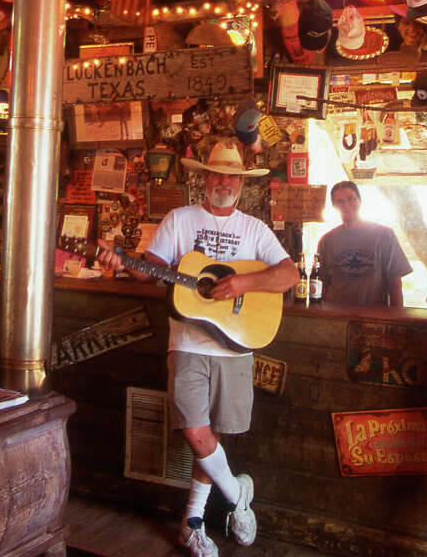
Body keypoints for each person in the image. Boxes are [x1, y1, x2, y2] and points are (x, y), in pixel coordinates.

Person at [97, 138, 298, 557]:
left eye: (232, 176)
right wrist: (122, 262)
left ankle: (192, 523)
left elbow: (288, 275)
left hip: (236, 345)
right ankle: (236, 494)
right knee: (195, 431)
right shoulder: (180, 219)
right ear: (204, 178)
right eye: (217, 173)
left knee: (217, 436)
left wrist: (243, 282)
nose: (224, 181)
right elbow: (149, 272)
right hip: (187, 343)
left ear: (241, 183)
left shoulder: (254, 229)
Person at [317, 181, 412, 306]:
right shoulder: (327, 241)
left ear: (359, 201)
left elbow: (395, 283)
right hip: (337, 316)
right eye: (339, 201)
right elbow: (322, 284)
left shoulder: (384, 235)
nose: (346, 204)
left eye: (351, 199)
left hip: (374, 316)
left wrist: (397, 319)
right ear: (334, 206)